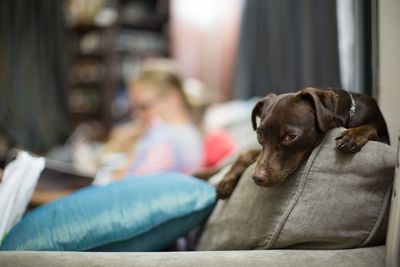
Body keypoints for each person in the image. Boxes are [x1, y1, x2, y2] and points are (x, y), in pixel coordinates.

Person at [100, 61, 204, 178]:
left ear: (173, 98)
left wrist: (126, 164)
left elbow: (132, 180)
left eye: (144, 107)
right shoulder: (183, 132)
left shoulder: (168, 138)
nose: (137, 114)